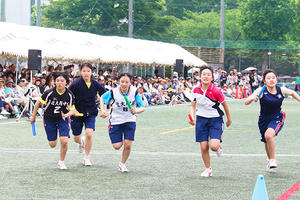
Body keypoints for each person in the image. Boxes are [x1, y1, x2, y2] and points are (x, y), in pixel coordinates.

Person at [245, 69, 300, 172]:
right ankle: (270, 160)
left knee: (269, 135)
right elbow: (246, 102)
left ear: (276, 79)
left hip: (277, 117)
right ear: (264, 81)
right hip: (263, 119)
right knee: (266, 140)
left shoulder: (281, 90)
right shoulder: (261, 90)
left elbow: (292, 93)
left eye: (273, 78)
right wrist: (253, 98)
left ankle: (273, 159)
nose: (271, 80)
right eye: (268, 78)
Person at [30, 72, 79, 169]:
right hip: (49, 119)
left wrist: (66, 114)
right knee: (52, 144)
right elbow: (38, 103)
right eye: (57, 81)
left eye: (62, 81)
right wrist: (33, 116)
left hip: (63, 119)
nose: (59, 83)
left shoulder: (69, 95)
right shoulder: (49, 93)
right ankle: (56, 133)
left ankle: (61, 162)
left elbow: (72, 110)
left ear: (66, 83)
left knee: (64, 141)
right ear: (54, 82)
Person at [189, 66, 232, 177]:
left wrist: (229, 119)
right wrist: (192, 117)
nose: (206, 76)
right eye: (204, 74)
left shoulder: (216, 90)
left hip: (215, 119)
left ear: (212, 77)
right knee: (204, 147)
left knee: (213, 146)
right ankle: (208, 169)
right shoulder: (195, 90)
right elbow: (192, 105)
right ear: (200, 76)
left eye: (208, 74)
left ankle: (218, 147)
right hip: (201, 120)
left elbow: (225, 105)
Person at [100, 73, 145, 172]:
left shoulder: (134, 92)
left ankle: (122, 164)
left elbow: (142, 107)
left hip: (130, 120)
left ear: (130, 82)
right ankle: (119, 136)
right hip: (116, 120)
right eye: (122, 82)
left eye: (126, 82)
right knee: (117, 146)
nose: (124, 84)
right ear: (119, 82)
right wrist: (103, 110)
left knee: (128, 144)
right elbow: (102, 99)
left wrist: (136, 111)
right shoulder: (113, 92)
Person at [68, 63, 106, 166]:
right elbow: (68, 98)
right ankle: (81, 142)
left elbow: (105, 96)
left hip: (91, 113)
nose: (86, 73)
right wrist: (73, 110)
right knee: (76, 138)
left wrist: (103, 109)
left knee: (89, 133)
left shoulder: (95, 83)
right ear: (80, 72)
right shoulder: (75, 84)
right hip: (77, 114)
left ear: (91, 72)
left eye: (88, 71)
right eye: (84, 71)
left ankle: (86, 157)